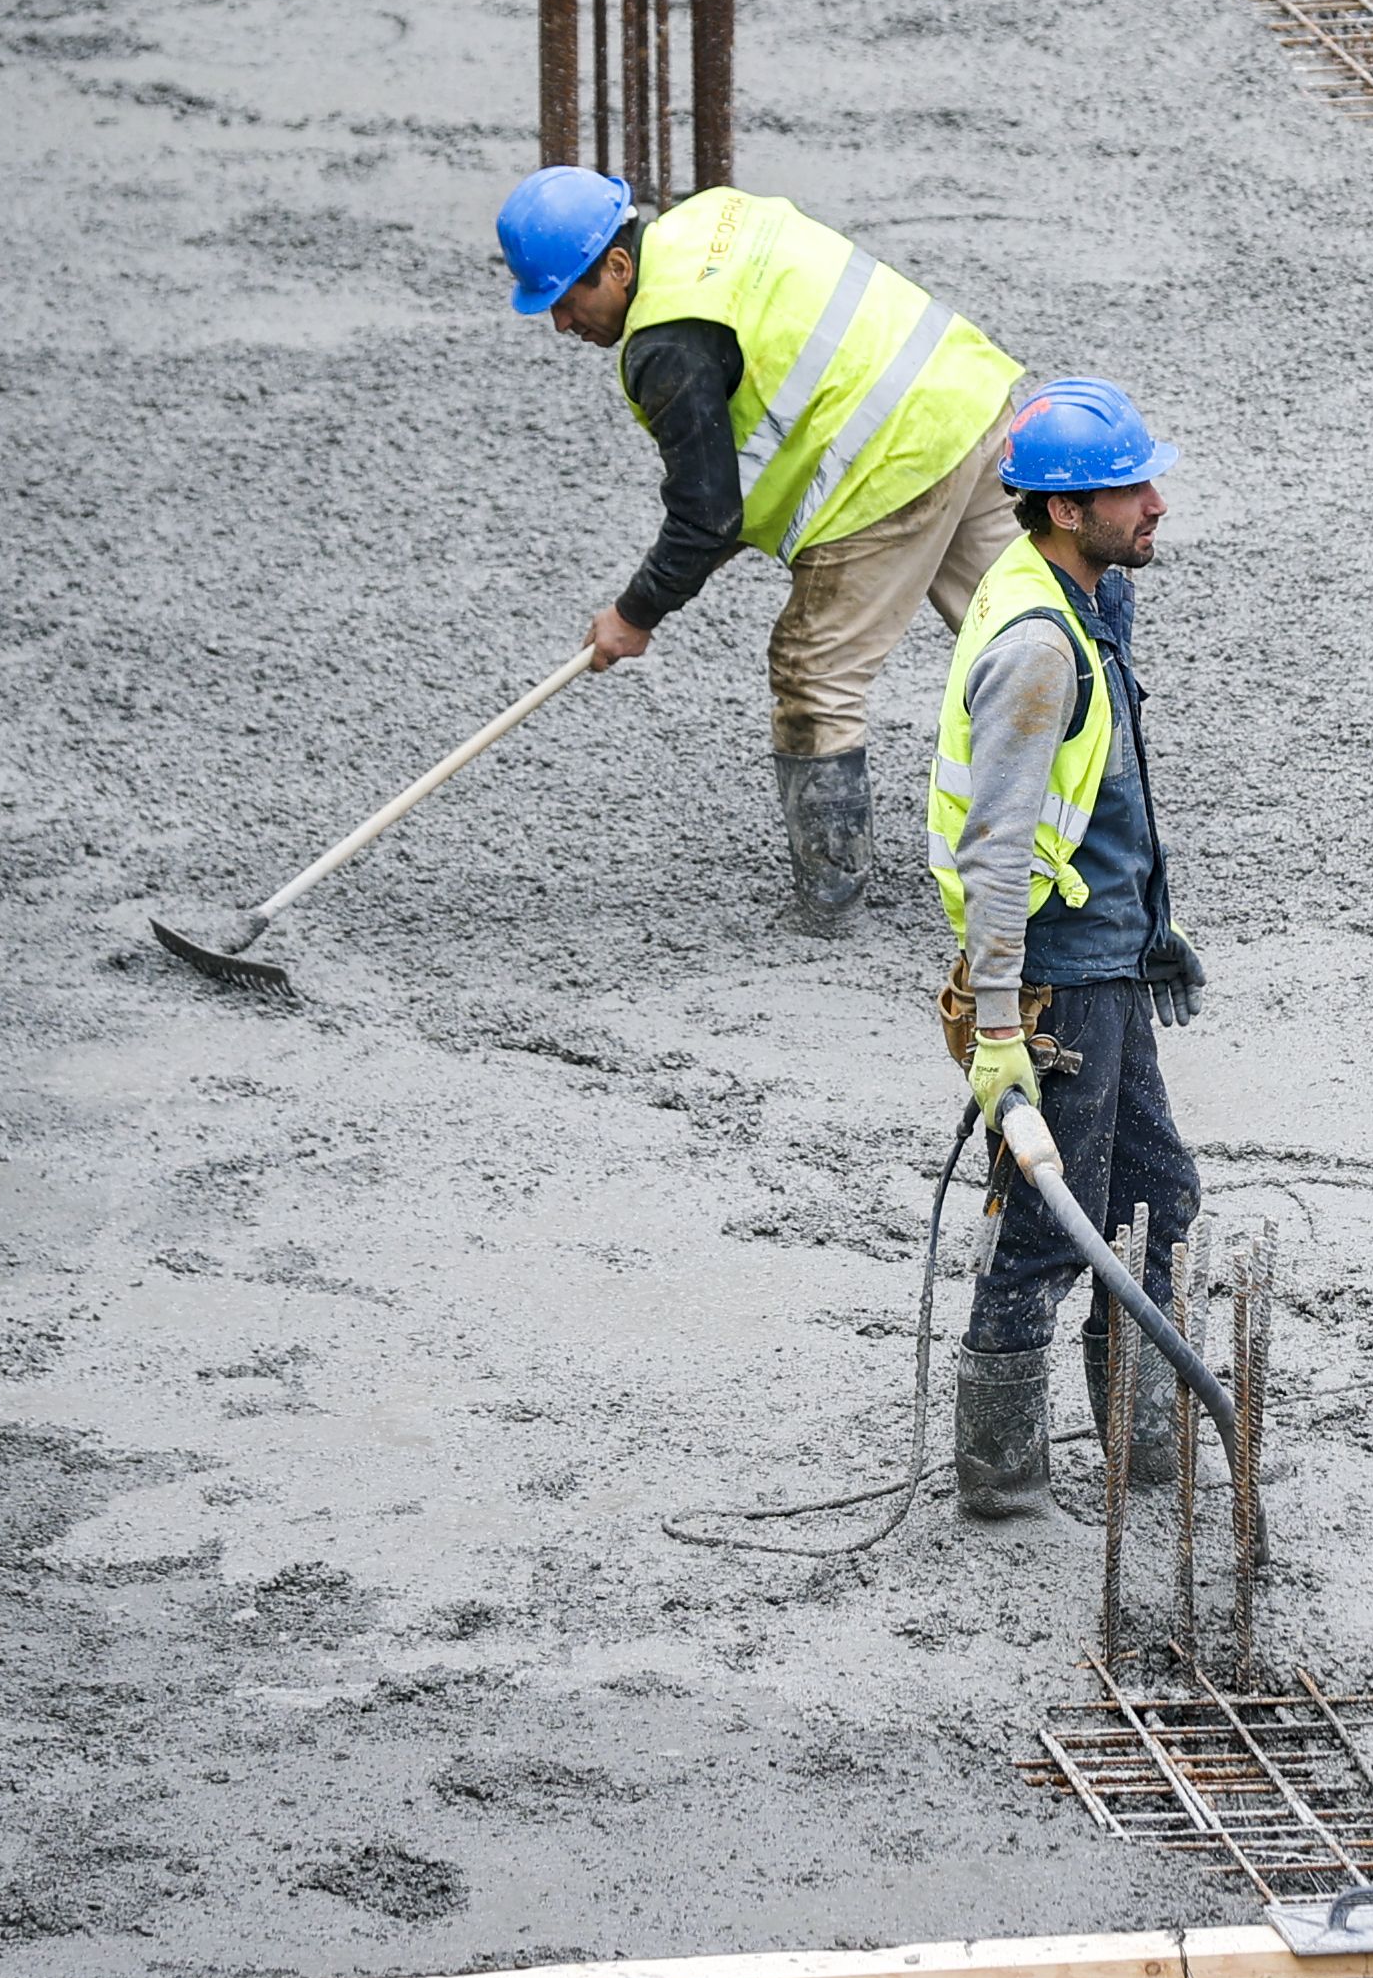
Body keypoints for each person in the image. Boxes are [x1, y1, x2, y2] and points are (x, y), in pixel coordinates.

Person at [493, 167, 1026, 923]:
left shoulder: (665, 346)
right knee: (1037, 630)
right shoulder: (711, 220)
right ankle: (1101, 825)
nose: (563, 326)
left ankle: (831, 900)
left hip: (891, 461)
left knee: (814, 673)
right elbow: (736, 482)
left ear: (617, 268)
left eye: (568, 301)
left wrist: (634, 614)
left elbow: (706, 514)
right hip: (966, 395)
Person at [928, 377, 1210, 1524]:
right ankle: (1000, 1479)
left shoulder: (1087, 594)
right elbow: (998, 851)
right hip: (1053, 975)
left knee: (1155, 1195)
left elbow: (1105, 785)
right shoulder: (1039, 642)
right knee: (1054, 1230)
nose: (1152, 504)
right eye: (1124, 489)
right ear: (1058, 510)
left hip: (1104, 954)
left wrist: (1151, 919)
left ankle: (1144, 1450)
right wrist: (1000, 1027)